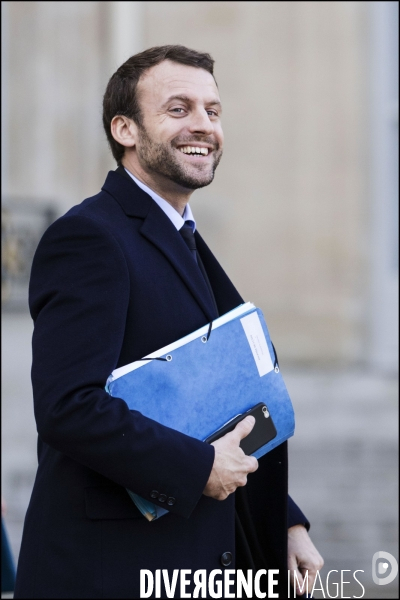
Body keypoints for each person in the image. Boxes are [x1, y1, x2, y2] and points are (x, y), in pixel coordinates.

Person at [14, 45, 323, 599]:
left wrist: (285, 522)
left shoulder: (183, 238)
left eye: (213, 110)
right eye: (178, 109)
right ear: (126, 130)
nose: (203, 125)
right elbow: (68, 407)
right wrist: (200, 467)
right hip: (109, 572)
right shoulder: (89, 238)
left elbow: (224, 400)